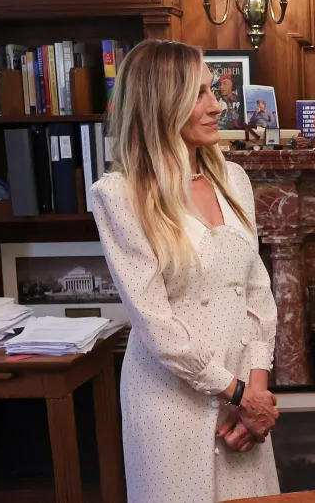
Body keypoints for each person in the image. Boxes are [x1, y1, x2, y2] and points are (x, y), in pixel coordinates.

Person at [90, 40, 281, 502]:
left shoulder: (234, 180)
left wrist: (256, 391)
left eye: (212, 90)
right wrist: (237, 393)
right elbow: (155, 324)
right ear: (160, 103)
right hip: (170, 401)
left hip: (243, 397)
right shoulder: (119, 195)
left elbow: (257, 291)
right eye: (199, 94)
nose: (217, 105)